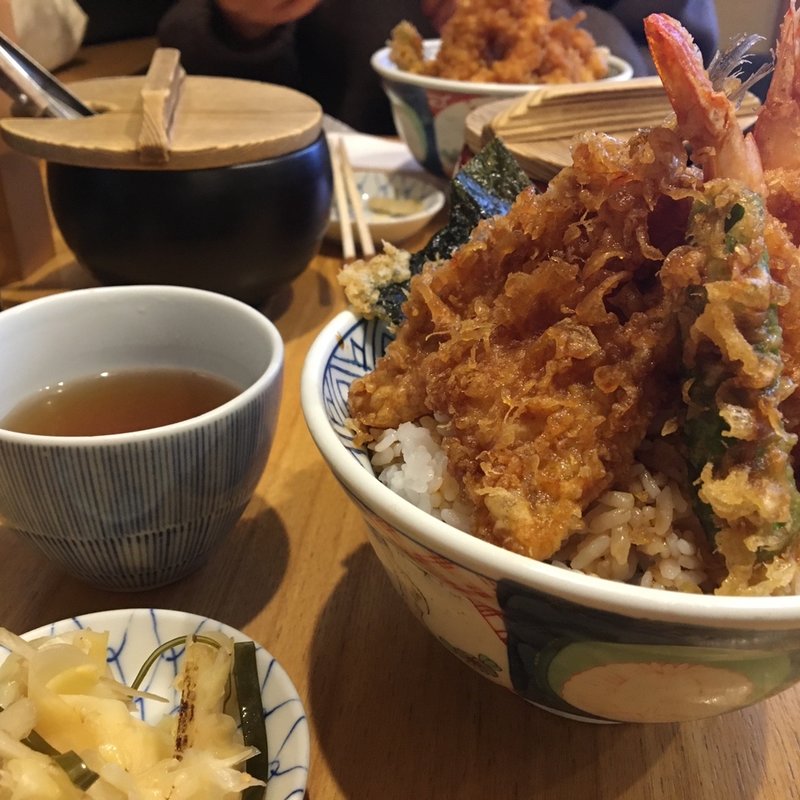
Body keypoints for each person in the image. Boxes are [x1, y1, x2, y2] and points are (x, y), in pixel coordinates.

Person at [155, 0, 720, 134]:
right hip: (346, 198)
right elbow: (182, 51)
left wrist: (551, 19)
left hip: (573, 193)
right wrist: (241, 25)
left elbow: (692, 61)